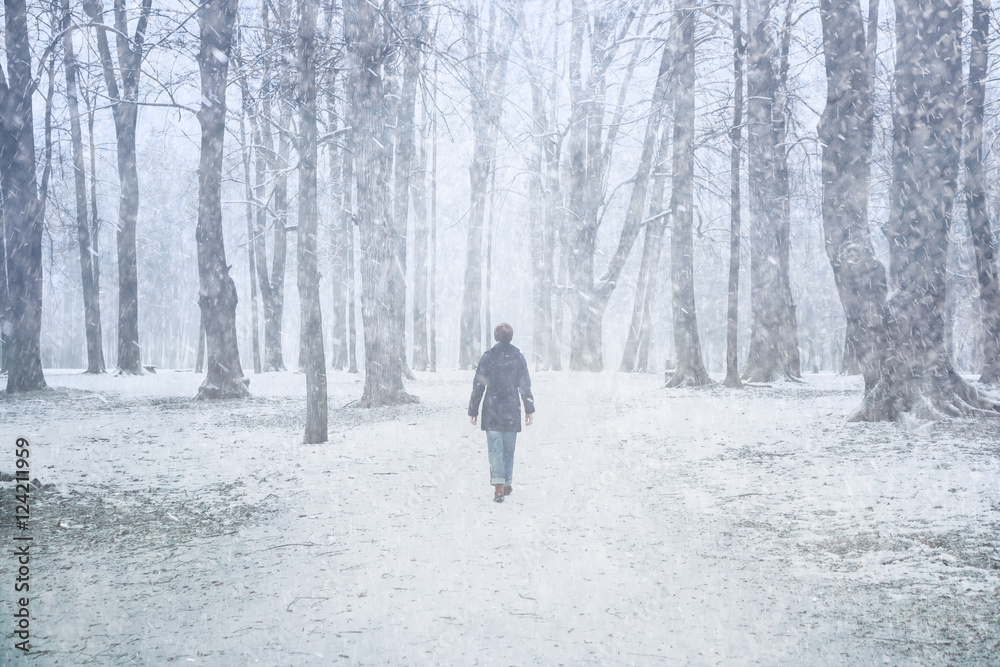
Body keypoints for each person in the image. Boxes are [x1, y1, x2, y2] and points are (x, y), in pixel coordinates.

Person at [468, 323, 535, 503]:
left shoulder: (488, 357)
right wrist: (529, 409)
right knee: (508, 448)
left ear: (497, 337)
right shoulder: (518, 358)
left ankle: (498, 486)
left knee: (495, 448)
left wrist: (473, 409)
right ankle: (506, 483)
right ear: (511, 337)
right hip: (512, 408)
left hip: (492, 408)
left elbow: (478, 385)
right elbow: (525, 385)